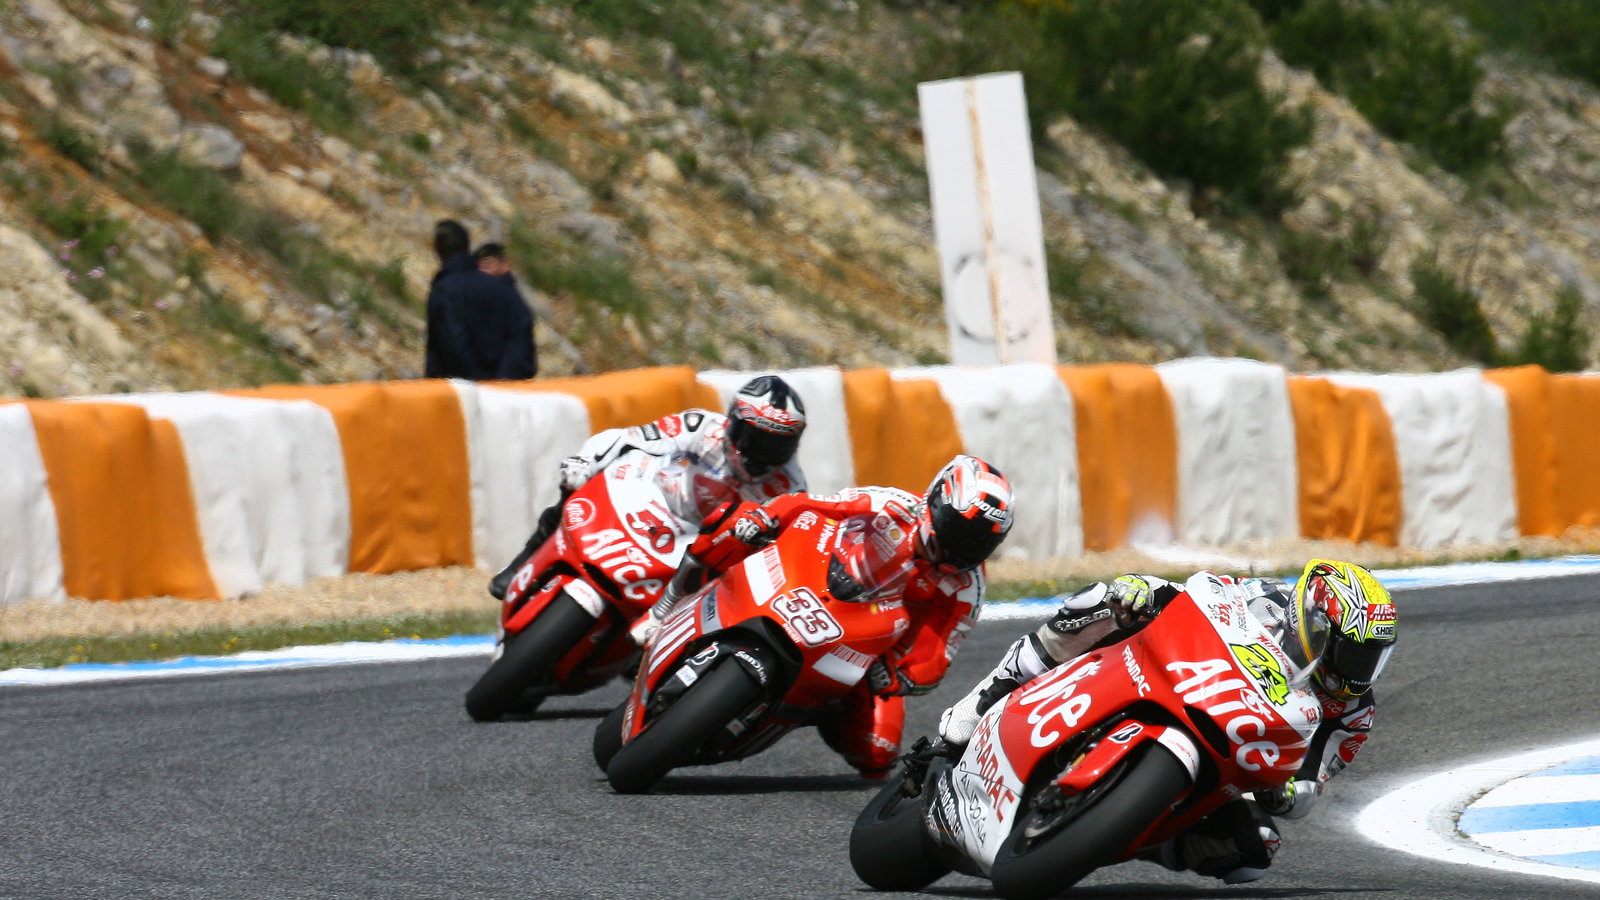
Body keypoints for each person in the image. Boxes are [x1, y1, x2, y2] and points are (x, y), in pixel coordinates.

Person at [934, 558, 1398, 885]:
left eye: (1372, 659)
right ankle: (986, 698)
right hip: (1184, 674)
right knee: (1098, 601)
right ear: (1313, 625)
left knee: (1254, 852)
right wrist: (1146, 589)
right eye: (1352, 654)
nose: (1359, 673)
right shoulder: (1267, 601)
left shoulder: (1355, 713)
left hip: (1232, 751)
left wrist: (1289, 792)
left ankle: (1132, 835)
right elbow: (1197, 592)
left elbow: (1312, 780)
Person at [642, 454, 1017, 778]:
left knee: (879, 754)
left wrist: (898, 675)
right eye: (958, 530)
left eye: (978, 541)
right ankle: (671, 605)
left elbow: (938, 651)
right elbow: (811, 505)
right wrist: (766, 518)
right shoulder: (890, 504)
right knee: (733, 522)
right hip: (814, 583)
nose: (963, 547)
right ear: (935, 501)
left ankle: (811, 707)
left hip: (867, 648)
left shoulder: (968, 586)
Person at [487, 374, 810, 600]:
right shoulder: (702, 425)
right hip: (648, 498)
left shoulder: (791, 486)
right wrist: (584, 462)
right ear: (733, 422)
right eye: (754, 439)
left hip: (697, 547)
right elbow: (627, 437)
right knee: (575, 490)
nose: (760, 454)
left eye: (775, 446)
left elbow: (783, 546)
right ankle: (523, 563)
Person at [424, 220, 536, 381]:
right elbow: (520, 336)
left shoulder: (444, 291)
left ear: (436, 249)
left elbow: (453, 343)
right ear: (467, 245)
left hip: (464, 396)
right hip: (509, 394)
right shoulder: (503, 288)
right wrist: (504, 379)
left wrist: (478, 384)